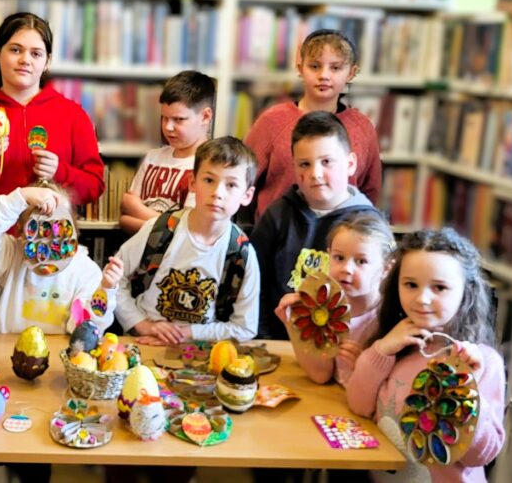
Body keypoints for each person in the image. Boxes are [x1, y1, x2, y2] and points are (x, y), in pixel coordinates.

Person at [0, 11, 105, 332]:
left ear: (48, 62)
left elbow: (95, 184)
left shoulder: (72, 115)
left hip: (49, 259)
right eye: (15, 49)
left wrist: (62, 171)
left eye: (35, 53)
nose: (25, 59)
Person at [346, 229, 505, 482]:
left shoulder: (484, 361)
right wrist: (381, 350)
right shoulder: (394, 342)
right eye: (410, 284)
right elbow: (359, 405)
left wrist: (467, 390)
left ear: (466, 291)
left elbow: (481, 455)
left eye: (439, 287)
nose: (422, 299)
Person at [115, 137, 260, 344]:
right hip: (144, 343)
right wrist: (142, 324)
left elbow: (245, 327)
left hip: (201, 353)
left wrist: (187, 334)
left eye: (231, 185)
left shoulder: (242, 253)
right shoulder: (159, 230)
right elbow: (113, 280)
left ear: (247, 195)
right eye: (209, 180)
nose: (218, 193)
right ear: (193, 182)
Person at [250, 111, 379, 340]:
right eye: (304, 164)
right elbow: (254, 285)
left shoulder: (369, 226)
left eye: (326, 162)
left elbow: (374, 301)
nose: (315, 174)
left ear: (350, 164)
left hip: (342, 349)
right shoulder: (277, 215)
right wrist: (265, 339)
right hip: (277, 343)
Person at [244, 29, 381, 220]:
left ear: (351, 72)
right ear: (300, 69)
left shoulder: (363, 127)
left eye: (335, 68)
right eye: (315, 66)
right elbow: (243, 179)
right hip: (276, 237)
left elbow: (370, 190)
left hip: (340, 238)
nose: (324, 75)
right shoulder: (272, 121)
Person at [0, 182, 122, 334]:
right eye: (41, 224)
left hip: (58, 352)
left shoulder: (85, 271)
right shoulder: (12, 256)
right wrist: (22, 196)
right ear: (24, 230)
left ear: (74, 226)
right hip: (7, 347)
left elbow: (85, 329)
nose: (52, 233)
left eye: (61, 222)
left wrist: (106, 290)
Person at [274, 212, 395, 386]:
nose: (346, 268)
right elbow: (320, 374)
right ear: (328, 255)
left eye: (361, 261)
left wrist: (365, 369)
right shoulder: (323, 308)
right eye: (339, 258)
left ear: (386, 267)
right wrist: (292, 325)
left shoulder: (387, 318)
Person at [119, 70, 216, 234]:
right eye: (164, 118)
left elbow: (186, 230)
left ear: (205, 117)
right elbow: (125, 214)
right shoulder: (153, 157)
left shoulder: (210, 167)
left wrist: (136, 213)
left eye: (179, 119)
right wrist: (166, 226)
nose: (168, 127)